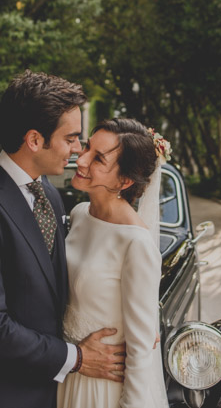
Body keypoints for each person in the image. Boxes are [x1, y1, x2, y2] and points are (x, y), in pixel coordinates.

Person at [0, 71, 126, 408]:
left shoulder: (48, 194)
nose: (77, 150)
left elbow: (57, 289)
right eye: (71, 138)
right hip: (0, 395)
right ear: (35, 140)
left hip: (54, 391)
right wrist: (78, 358)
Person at [57, 118, 170, 408]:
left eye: (98, 159)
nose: (80, 159)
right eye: (86, 148)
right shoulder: (81, 213)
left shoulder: (136, 244)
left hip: (102, 388)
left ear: (124, 181)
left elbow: (141, 348)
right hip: (69, 369)